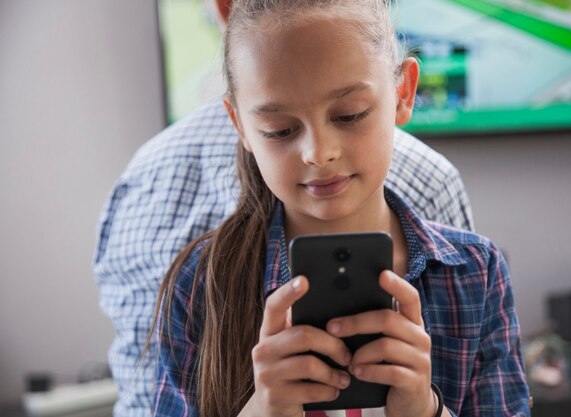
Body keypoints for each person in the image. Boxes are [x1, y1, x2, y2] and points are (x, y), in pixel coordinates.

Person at [93, 0, 475, 416]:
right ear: (239, 124)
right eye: (280, 130)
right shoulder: (196, 281)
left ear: (404, 92)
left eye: (350, 115)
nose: (319, 153)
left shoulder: (473, 268)